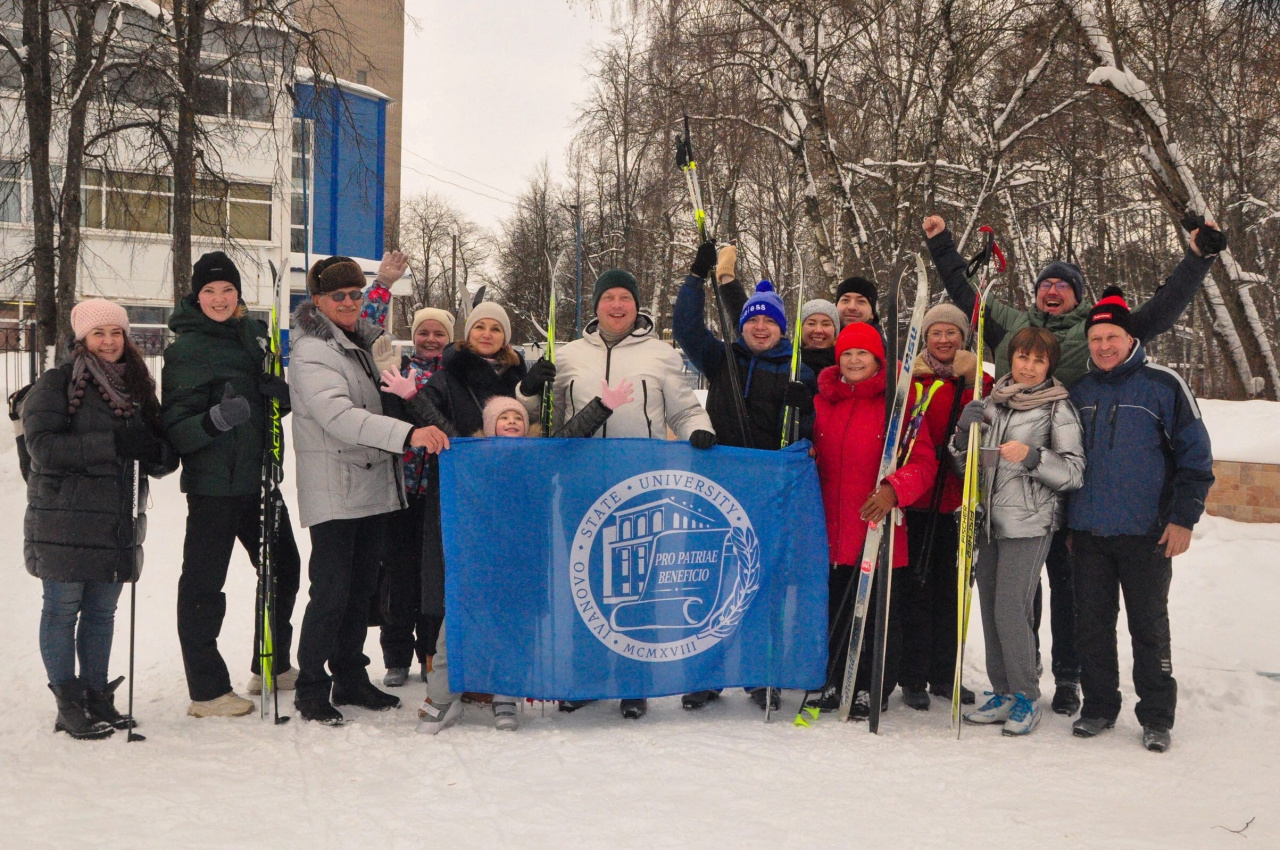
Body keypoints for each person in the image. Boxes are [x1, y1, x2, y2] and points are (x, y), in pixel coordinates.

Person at [921, 212, 1224, 715]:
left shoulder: (1097, 331)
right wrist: (941, 243)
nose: (1053, 290)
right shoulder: (1012, 326)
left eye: (1064, 285)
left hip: (1074, 476)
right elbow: (965, 292)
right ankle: (1025, 674)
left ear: (1079, 297)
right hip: (1017, 486)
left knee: (1070, 590)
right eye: (1046, 284)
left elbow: (1160, 311)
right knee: (1021, 594)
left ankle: (1069, 678)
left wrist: (1197, 259)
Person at [547, 267, 716, 719]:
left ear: (636, 305)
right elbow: (547, 419)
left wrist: (699, 430)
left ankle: (633, 681)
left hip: (639, 485)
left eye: (625, 297)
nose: (617, 305)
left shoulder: (660, 354)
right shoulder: (569, 355)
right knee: (585, 581)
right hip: (582, 483)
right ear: (596, 305)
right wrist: (531, 387)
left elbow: (682, 411)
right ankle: (585, 676)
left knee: (634, 584)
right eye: (609, 298)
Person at [287, 255, 448, 725]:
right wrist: (407, 436)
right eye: (339, 295)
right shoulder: (314, 351)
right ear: (317, 301)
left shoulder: (356, 341)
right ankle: (312, 685)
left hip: (371, 485)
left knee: (360, 592)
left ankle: (351, 677)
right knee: (332, 592)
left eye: (356, 294)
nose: (350, 302)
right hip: (336, 490)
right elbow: (337, 416)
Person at [1067, 288, 1214, 753]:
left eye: (1112, 336)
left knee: (1147, 627)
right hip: (1088, 533)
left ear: (1131, 338)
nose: (1104, 346)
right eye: (1096, 338)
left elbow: (1196, 458)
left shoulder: (1164, 385)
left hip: (1146, 533)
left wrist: (1183, 519)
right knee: (1091, 625)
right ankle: (1098, 706)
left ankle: (1155, 715)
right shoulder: (1079, 391)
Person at [673, 241, 817, 711]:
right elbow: (687, 329)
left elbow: (816, 433)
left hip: (771, 492)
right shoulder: (722, 360)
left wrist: (806, 407)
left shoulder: (798, 369)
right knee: (713, 581)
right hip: (719, 488)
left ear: (780, 328)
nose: (759, 326)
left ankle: (761, 672)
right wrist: (696, 278)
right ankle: (708, 673)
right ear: (743, 325)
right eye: (753, 320)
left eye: (769, 321)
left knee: (763, 583)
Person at [24, 299, 176, 739]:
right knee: (61, 610)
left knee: (101, 613)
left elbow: (163, 457)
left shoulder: (138, 387)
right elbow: (43, 448)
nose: (108, 341)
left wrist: (152, 450)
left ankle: (95, 694)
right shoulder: (57, 383)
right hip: (63, 521)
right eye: (98, 333)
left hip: (115, 521)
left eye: (115, 332)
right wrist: (112, 442)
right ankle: (68, 702)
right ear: (81, 339)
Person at [162, 252, 302, 718]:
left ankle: (272, 663)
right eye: (209, 291)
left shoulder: (253, 337)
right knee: (204, 585)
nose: (219, 299)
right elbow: (176, 428)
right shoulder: (186, 349)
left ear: (238, 295)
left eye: (227, 291)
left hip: (258, 478)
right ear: (195, 296)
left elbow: (265, 410)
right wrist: (217, 419)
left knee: (284, 567)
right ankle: (207, 691)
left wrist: (277, 401)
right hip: (213, 487)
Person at [951, 327, 1085, 735]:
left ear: (1049, 366)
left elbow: (1074, 472)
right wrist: (962, 432)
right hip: (988, 520)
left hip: (1029, 523)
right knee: (991, 609)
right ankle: (1003, 691)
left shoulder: (1057, 409)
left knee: (1012, 607)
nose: (1028, 367)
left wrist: (1032, 456)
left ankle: (1026, 695)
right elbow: (965, 465)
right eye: (1022, 357)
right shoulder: (992, 402)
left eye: (1038, 360)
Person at [809, 322, 937, 719]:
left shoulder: (898, 403)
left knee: (880, 615)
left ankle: (872, 685)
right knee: (835, 611)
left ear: (878, 358)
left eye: (862, 353)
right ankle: (832, 680)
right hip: (831, 529)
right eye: (846, 354)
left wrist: (893, 490)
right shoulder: (823, 400)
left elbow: (923, 461)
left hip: (878, 529)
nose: (853, 360)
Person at [897, 303, 992, 711]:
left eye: (951, 333)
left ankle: (944, 673)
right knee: (916, 589)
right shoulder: (911, 379)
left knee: (951, 592)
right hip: (918, 499)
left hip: (957, 499)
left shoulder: (979, 382)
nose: (943, 340)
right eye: (935, 333)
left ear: (964, 337)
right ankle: (913, 675)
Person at [375, 306, 454, 690]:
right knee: (398, 574)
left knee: (433, 578)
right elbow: (368, 330)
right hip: (402, 492)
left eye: (439, 333)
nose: (430, 339)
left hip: (439, 493)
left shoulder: (453, 375)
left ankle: (429, 654)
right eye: (424, 332)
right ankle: (395, 655)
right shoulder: (399, 368)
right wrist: (383, 286)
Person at [799, 299, 839, 375]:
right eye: (811, 324)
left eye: (826, 324)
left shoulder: (846, 367)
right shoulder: (787, 364)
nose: (818, 330)